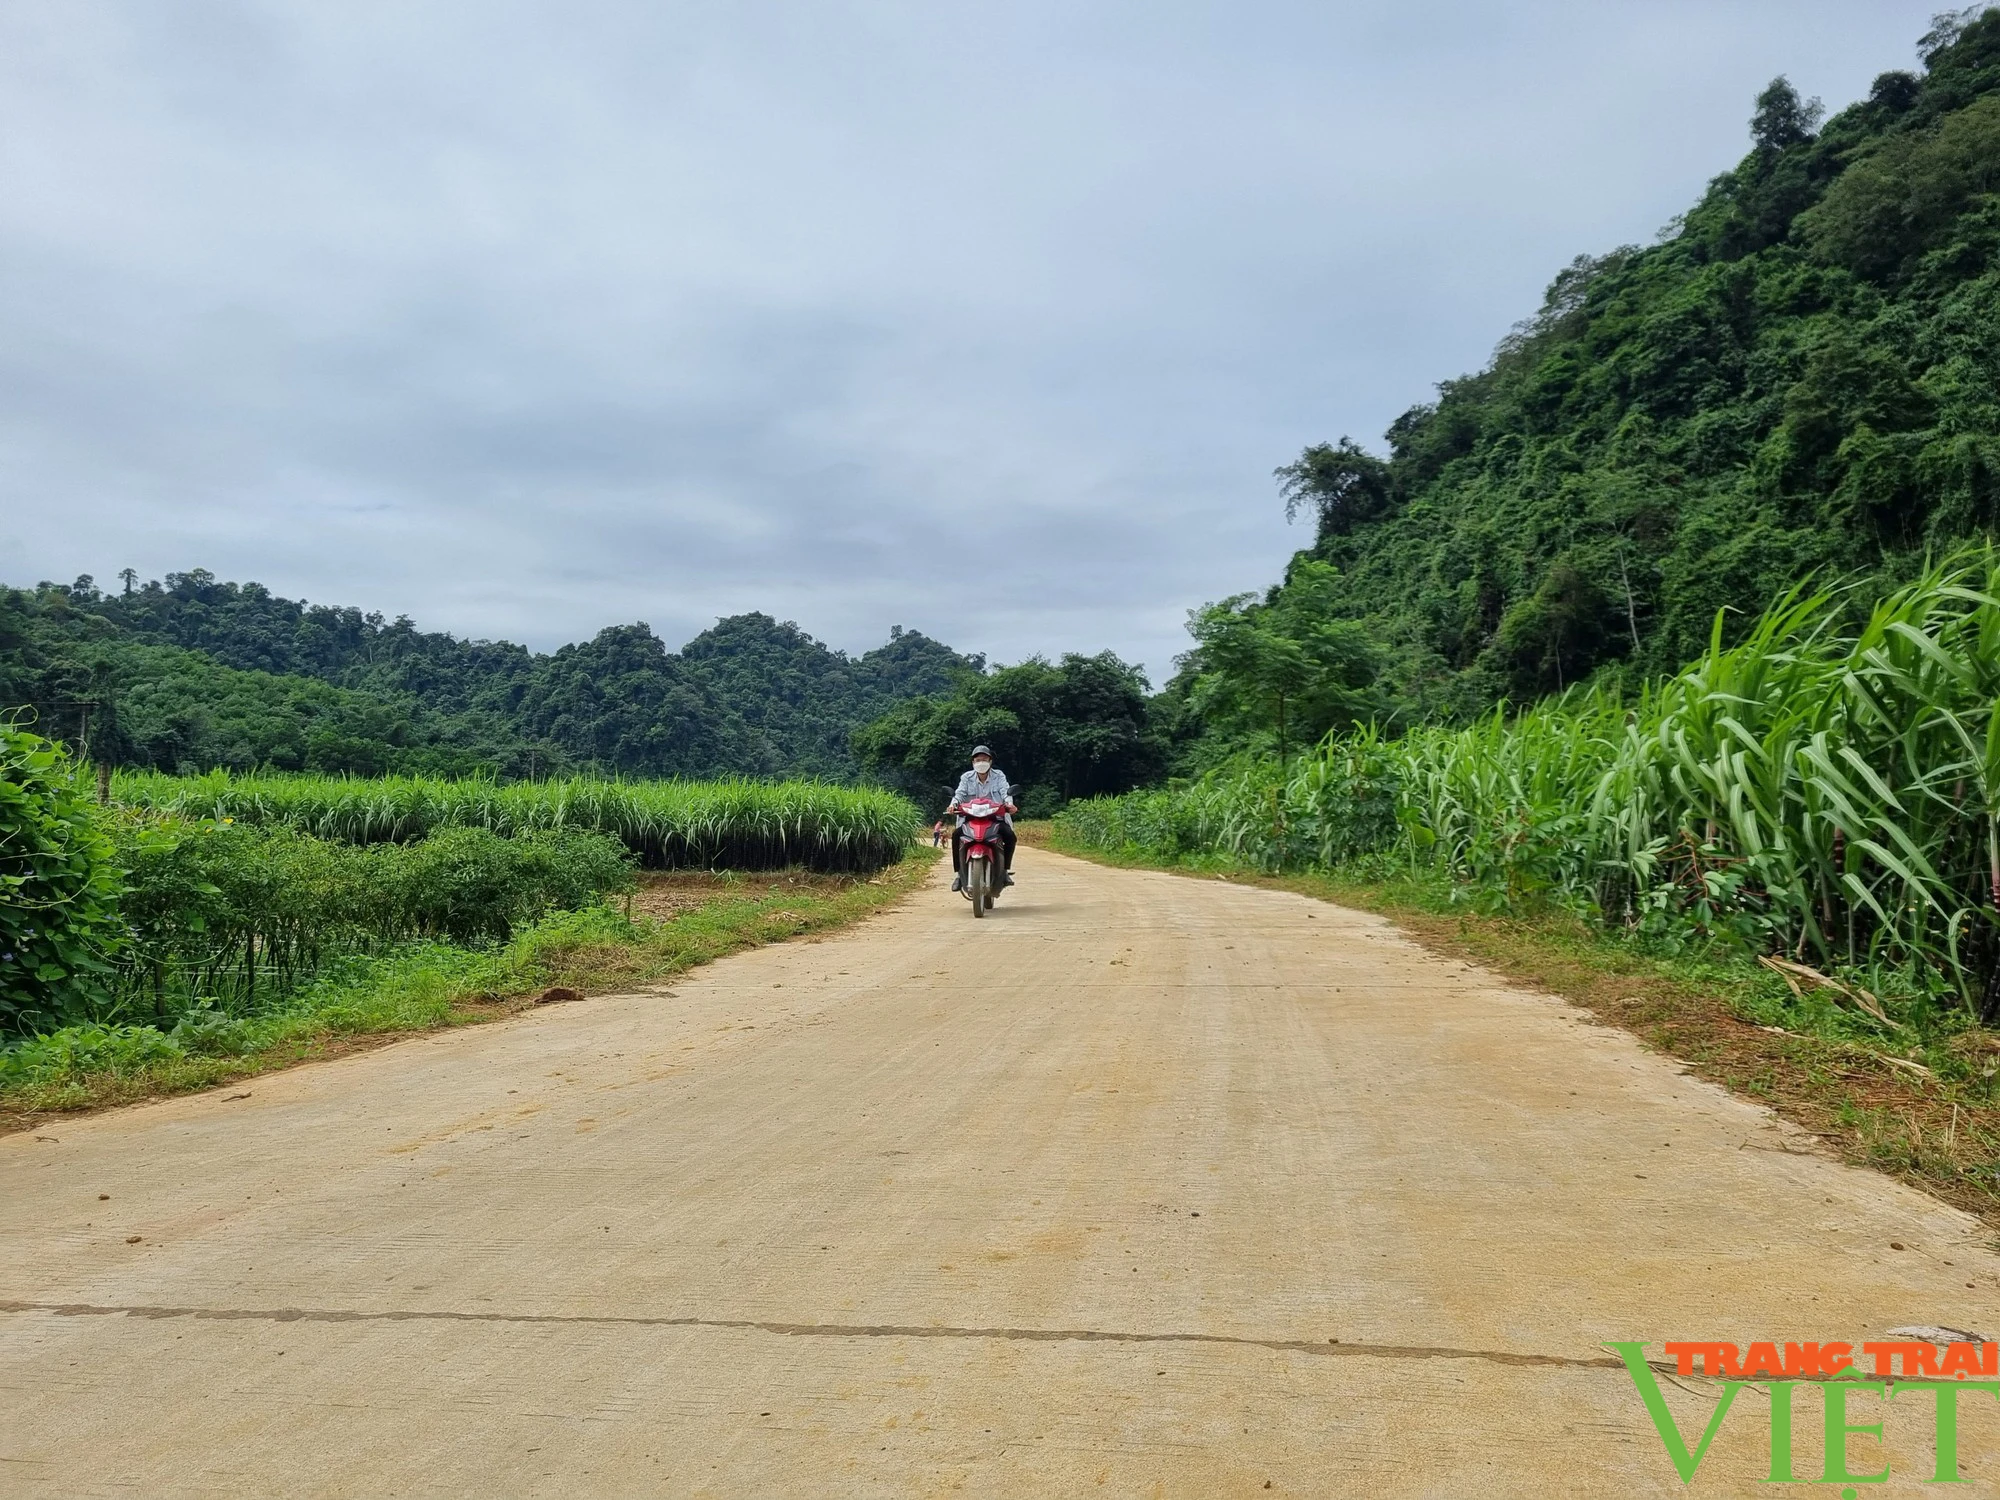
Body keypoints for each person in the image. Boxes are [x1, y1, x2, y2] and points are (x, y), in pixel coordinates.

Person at [946, 745, 1017, 891]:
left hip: (994, 817)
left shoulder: (999, 776)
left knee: (1010, 836)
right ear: (973, 763)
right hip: (970, 818)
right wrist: (953, 805)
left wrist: (1009, 804)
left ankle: (1004, 871)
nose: (981, 762)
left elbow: (1005, 791)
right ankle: (959, 875)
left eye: (984, 759)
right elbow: (959, 793)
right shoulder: (966, 777)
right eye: (978, 760)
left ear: (990, 761)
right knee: (956, 836)